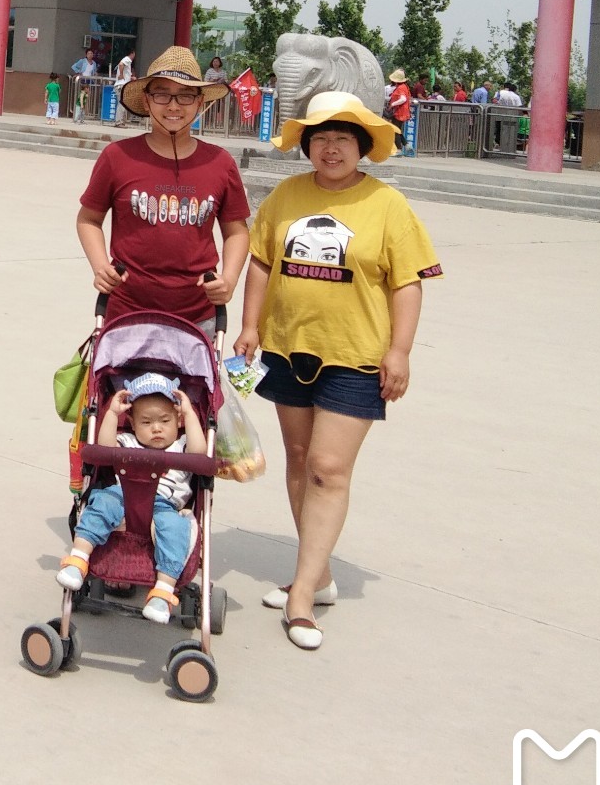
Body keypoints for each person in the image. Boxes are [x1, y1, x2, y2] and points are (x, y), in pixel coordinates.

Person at [235, 90, 440, 652]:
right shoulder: (285, 196)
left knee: (329, 467)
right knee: (299, 460)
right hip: (287, 348)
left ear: (362, 147)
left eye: (342, 139)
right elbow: (260, 261)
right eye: (320, 138)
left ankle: (302, 596)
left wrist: (400, 351)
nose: (330, 149)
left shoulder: (387, 205)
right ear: (307, 144)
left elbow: (408, 282)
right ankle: (317, 574)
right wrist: (250, 326)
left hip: (356, 357)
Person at [76, 46, 251, 334]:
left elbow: (237, 231)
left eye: (185, 95)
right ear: (146, 100)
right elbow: (88, 219)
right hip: (126, 313)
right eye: (161, 94)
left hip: (198, 317)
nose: (173, 106)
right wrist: (100, 266)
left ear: (200, 101)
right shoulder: (117, 156)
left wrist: (229, 280)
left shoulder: (221, 163)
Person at [55, 373, 207, 622]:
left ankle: (163, 591)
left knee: (176, 527)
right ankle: (78, 560)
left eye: (165, 421)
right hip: (123, 497)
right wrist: (113, 414)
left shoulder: (182, 446)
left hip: (165, 506)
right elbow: (104, 449)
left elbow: (200, 453)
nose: (156, 428)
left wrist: (190, 414)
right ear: (133, 425)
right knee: (102, 501)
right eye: (146, 422)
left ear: (177, 421)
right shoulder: (128, 442)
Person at [112, 50, 135, 125]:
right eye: (134, 54)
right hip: (121, 85)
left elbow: (126, 73)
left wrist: (131, 78)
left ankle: (121, 121)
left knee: (123, 103)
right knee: (122, 103)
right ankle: (119, 122)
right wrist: (121, 74)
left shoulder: (126, 60)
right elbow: (121, 64)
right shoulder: (127, 59)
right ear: (132, 53)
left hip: (122, 84)